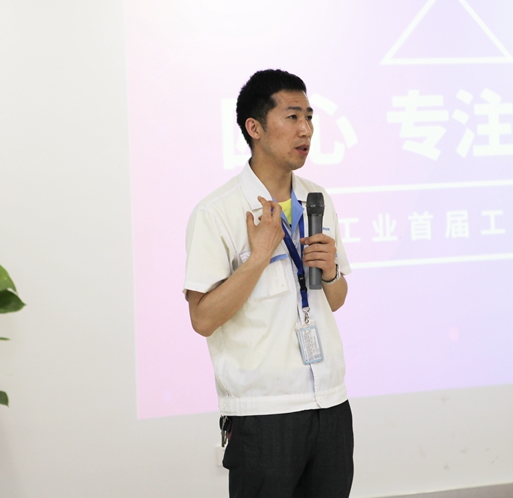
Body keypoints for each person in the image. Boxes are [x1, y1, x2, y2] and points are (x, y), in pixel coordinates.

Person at [184, 69, 353, 498]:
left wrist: (330, 271)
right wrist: (258, 257)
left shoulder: (317, 199)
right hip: (263, 413)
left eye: (309, 117)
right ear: (254, 128)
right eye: (292, 116)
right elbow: (202, 319)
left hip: (330, 403)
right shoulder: (217, 212)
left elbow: (335, 299)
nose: (306, 129)